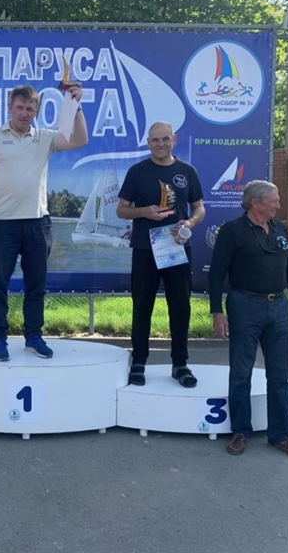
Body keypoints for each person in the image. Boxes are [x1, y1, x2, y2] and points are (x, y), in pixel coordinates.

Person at [0, 84, 88, 361]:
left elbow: (80, 140)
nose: (24, 113)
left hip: (37, 224)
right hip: (2, 225)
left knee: (36, 286)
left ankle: (33, 337)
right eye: (19, 107)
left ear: (36, 111)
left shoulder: (45, 137)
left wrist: (77, 106)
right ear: (10, 107)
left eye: (29, 109)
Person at [209, 180, 288, 461]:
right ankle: (240, 432)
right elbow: (216, 273)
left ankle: (281, 436)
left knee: (279, 375)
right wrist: (217, 311)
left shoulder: (280, 229)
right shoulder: (232, 231)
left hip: (278, 307)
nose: (278, 205)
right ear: (255, 202)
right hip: (244, 305)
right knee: (241, 372)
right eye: (274, 200)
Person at [116, 121, 205, 387]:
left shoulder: (187, 171)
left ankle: (180, 364)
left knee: (180, 307)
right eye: (155, 140)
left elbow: (199, 208)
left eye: (165, 139)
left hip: (176, 249)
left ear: (174, 140)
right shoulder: (137, 172)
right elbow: (121, 210)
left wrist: (189, 223)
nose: (161, 144)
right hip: (145, 249)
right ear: (148, 143)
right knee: (142, 306)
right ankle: (139, 362)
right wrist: (143, 212)